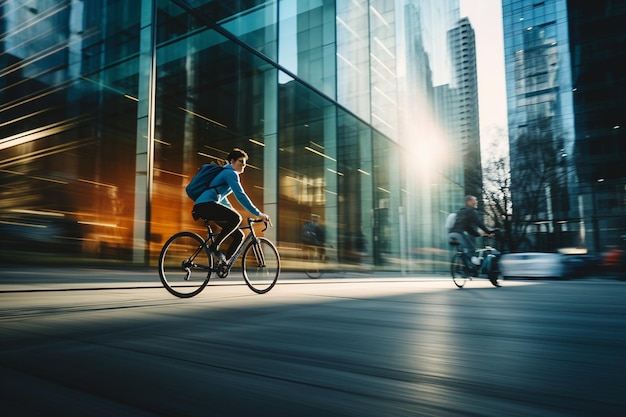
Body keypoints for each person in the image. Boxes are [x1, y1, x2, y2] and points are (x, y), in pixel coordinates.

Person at [192, 148, 269, 262]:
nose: (244, 165)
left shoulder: (226, 173)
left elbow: (222, 199)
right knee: (236, 218)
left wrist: (231, 210)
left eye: (245, 163)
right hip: (205, 205)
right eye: (240, 161)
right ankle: (214, 246)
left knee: (239, 236)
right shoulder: (230, 173)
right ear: (232, 161)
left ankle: (223, 264)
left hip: (206, 205)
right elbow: (241, 196)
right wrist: (258, 213)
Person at [448, 195, 494, 265]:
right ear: (469, 202)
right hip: (459, 233)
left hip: (451, 233)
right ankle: (476, 264)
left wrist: (478, 234)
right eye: (474, 200)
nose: (476, 202)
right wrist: (488, 232)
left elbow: (468, 228)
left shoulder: (460, 212)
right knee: (471, 248)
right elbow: (478, 223)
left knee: (464, 251)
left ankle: (465, 268)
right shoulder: (470, 211)